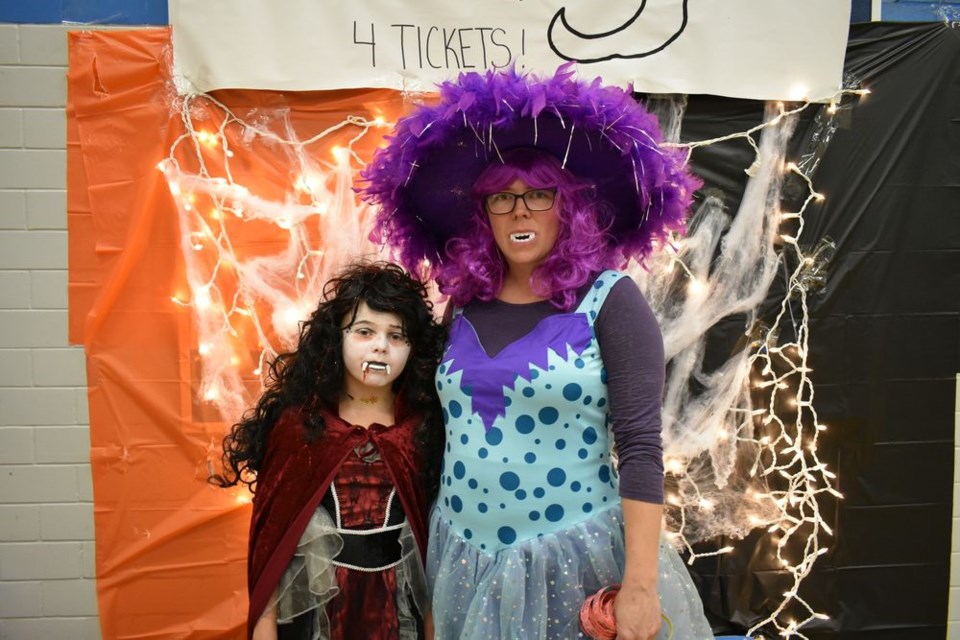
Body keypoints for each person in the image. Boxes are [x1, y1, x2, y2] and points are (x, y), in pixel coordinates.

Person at [360, 66, 713, 640]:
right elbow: (435, 431)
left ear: (566, 207)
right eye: (502, 198)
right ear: (484, 214)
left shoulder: (610, 301)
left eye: (537, 194)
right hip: (463, 556)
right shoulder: (463, 305)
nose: (519, 210)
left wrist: (642, 587)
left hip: (570, 559)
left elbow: (643, 449)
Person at [212, 262, 446, 640]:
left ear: (414, 348)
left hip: (396, 610)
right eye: (364, 331)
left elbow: (431, 543)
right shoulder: (301, 426)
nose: (380, 346)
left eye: (397, 336)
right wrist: (264, 626)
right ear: (337, 338)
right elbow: (273, 541)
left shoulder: (422, 429)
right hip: (318, 613)